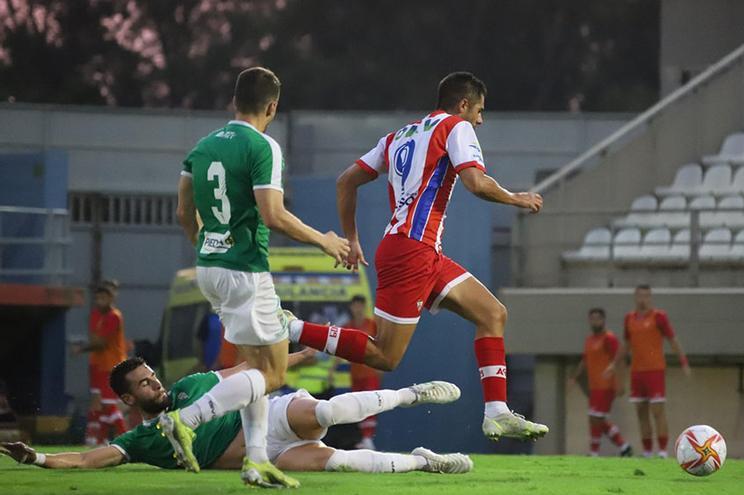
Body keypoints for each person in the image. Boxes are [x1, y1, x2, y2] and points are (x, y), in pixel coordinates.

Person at [288, 71, 548, 441]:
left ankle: (497, 413)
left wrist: (352, 238)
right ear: (463, 105)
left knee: (493, 314)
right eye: (479, 110)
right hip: (412, 252)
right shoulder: (456, 127)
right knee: (385, 356)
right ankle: (293, 328)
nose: (480, 119)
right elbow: (475, 182)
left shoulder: (397, 136)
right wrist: (515, 197)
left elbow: (346, 179)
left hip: (420, 251)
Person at [172, 66, 350, 486]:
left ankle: (255, 460)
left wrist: (207, 246)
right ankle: (186, 419)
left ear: (235, 101)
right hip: (245, 269)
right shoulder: (263, 146)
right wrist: (323, 240)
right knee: (273, 373)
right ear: (273, 106)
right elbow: (273, 213)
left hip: (207, 266)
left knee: (254, 372)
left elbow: (183, 213)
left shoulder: (201, 147)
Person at [0, 354, 471, 477]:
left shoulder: (192, 384)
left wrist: (299, 356)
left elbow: (249, 369)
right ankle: (427, 461)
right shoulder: (143, 441)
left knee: (327, 410)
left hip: (275, 418)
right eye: (144, 384)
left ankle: (411, 393)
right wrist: (37, 460)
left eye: (152, 376)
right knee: (343, 463)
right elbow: (87, 461)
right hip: (268, 457)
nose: (155, 384)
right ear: (129, 400)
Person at [607, 284, 690, 458]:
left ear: (650, 298)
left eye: (646, 296)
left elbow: (672, 339)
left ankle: (662, 451)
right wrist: (614, 364)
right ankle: (646, 451)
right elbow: (627, 344)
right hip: (637, 371)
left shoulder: (659, 317)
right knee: (640, 412)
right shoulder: (629, 318)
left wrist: (683, 361)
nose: (643, 299)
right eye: (640, 296)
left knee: (658, 411)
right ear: (635, 297)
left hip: (655, 370)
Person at [567, 308, 631, 457]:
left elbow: (619, 360)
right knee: (597, 419)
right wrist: (574, 377)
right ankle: (624, 446)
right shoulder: (589, 340)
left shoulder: (609, 338)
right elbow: (585, 360)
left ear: (603, 320)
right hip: (594, 386)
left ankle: (594, 452)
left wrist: (620, 383)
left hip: (606, 385)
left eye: (598, 318)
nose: (595, 321)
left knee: (595, 418)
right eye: (592, 319)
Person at [71, 280, 128, 446]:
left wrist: (80, 349)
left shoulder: (114, 316)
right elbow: (95, 340)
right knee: (97, 405)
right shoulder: (95, 315)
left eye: (104, 297)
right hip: (96, 365)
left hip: (112, 365)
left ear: (111, 298)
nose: (100, 301)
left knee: (110, 406)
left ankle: (126, 438)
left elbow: (101, 342)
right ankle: (99, 440)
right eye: (98, 298)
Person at [345, 295, 382, 449]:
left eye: (360, 305)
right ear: (351, 307)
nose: (357, 308)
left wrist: (380, 365)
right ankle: (364, 438)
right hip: (356, 373)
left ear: (364, 306)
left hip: (370, 372)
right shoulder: (348, 326)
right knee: (358, 404)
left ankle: (368, 438)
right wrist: (333, 369)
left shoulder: (372, 325)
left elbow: (381, 345)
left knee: (371, 402)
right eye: (355, 305)